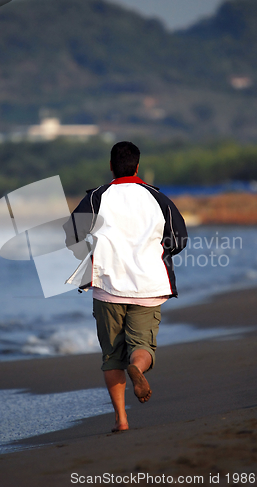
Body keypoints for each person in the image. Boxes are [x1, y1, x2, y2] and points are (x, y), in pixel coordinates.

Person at [64, 141, 187, 432]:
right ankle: (139, 367)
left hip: (107, 285)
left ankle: (121, 419)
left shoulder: (96, 197)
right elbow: (178, 240)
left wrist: (93, 251)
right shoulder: (158, 198)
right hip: (149, 285)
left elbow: (72, 236)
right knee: (142, 345)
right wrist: (154, 254)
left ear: (110, 166)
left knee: (111, 356)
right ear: (138, 166)